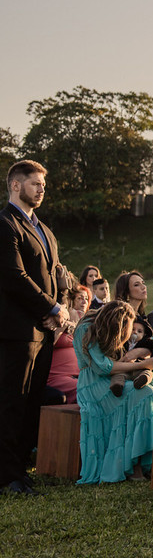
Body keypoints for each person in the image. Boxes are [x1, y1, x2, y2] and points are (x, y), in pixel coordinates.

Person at [0, 159, 68, 495]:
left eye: (43, 184)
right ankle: (7, 475)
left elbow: (58, 274)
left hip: (44, 332)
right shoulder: (5, 224)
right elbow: (14, 277)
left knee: (31, 401)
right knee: (12, 401)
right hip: (15, 332)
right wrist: (51, 307)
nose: (42, 189)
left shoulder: (44, 229)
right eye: (35, 183)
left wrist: (61, 308)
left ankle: (22, 468)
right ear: (15, 185)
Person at [74, 301, 153, 483]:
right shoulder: (86, 329)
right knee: (144, 394)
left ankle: (151, 459)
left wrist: (141, 352)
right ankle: (133, 464)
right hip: (94, 383)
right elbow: (102, 367)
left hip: (118, 375)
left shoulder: (109, 327)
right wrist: (143, 365)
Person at [110, 319, 153, 396]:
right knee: (118, 376)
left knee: (148, 372)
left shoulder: (145, 342)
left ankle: (142, 380)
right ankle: (117, 386)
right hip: (124, 369)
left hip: (140, 368)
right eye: (132, 329)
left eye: (139, 331)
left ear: (144, 335)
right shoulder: (123, 342)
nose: (135, 332)